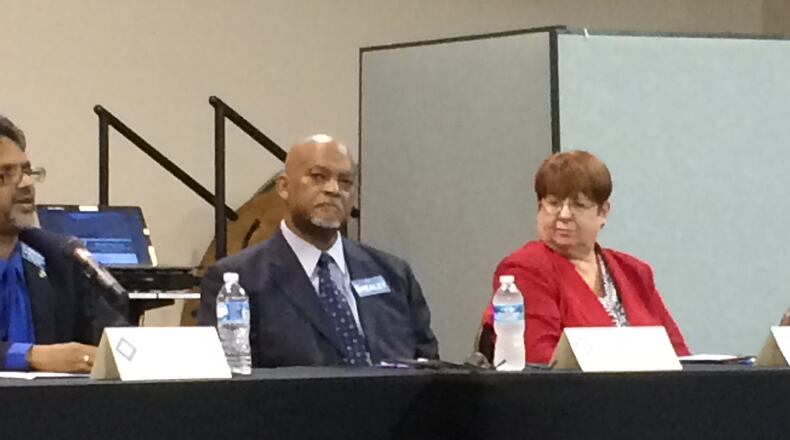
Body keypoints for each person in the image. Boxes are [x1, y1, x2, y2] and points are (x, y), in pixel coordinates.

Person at [199, 134, 438, 367]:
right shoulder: (240, 279)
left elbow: (430, 371)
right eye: (318, 177)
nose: (333, 190)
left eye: (345, 181)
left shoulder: (393, 274)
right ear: (284, 187)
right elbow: (229, 380)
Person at [479, 150, 690, 364]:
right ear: (539, 207)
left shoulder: (635, 272)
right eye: (554, 203)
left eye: (578, 205)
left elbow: (681, 358)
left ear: (603, 212)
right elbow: (541, 363)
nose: (564, 215)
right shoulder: (525, 269)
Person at [0, 115, 127, 372]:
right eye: (6, 174)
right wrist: (29, 356)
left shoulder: (57, 257)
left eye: (27, 171)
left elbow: (113, 337)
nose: (26, 184)